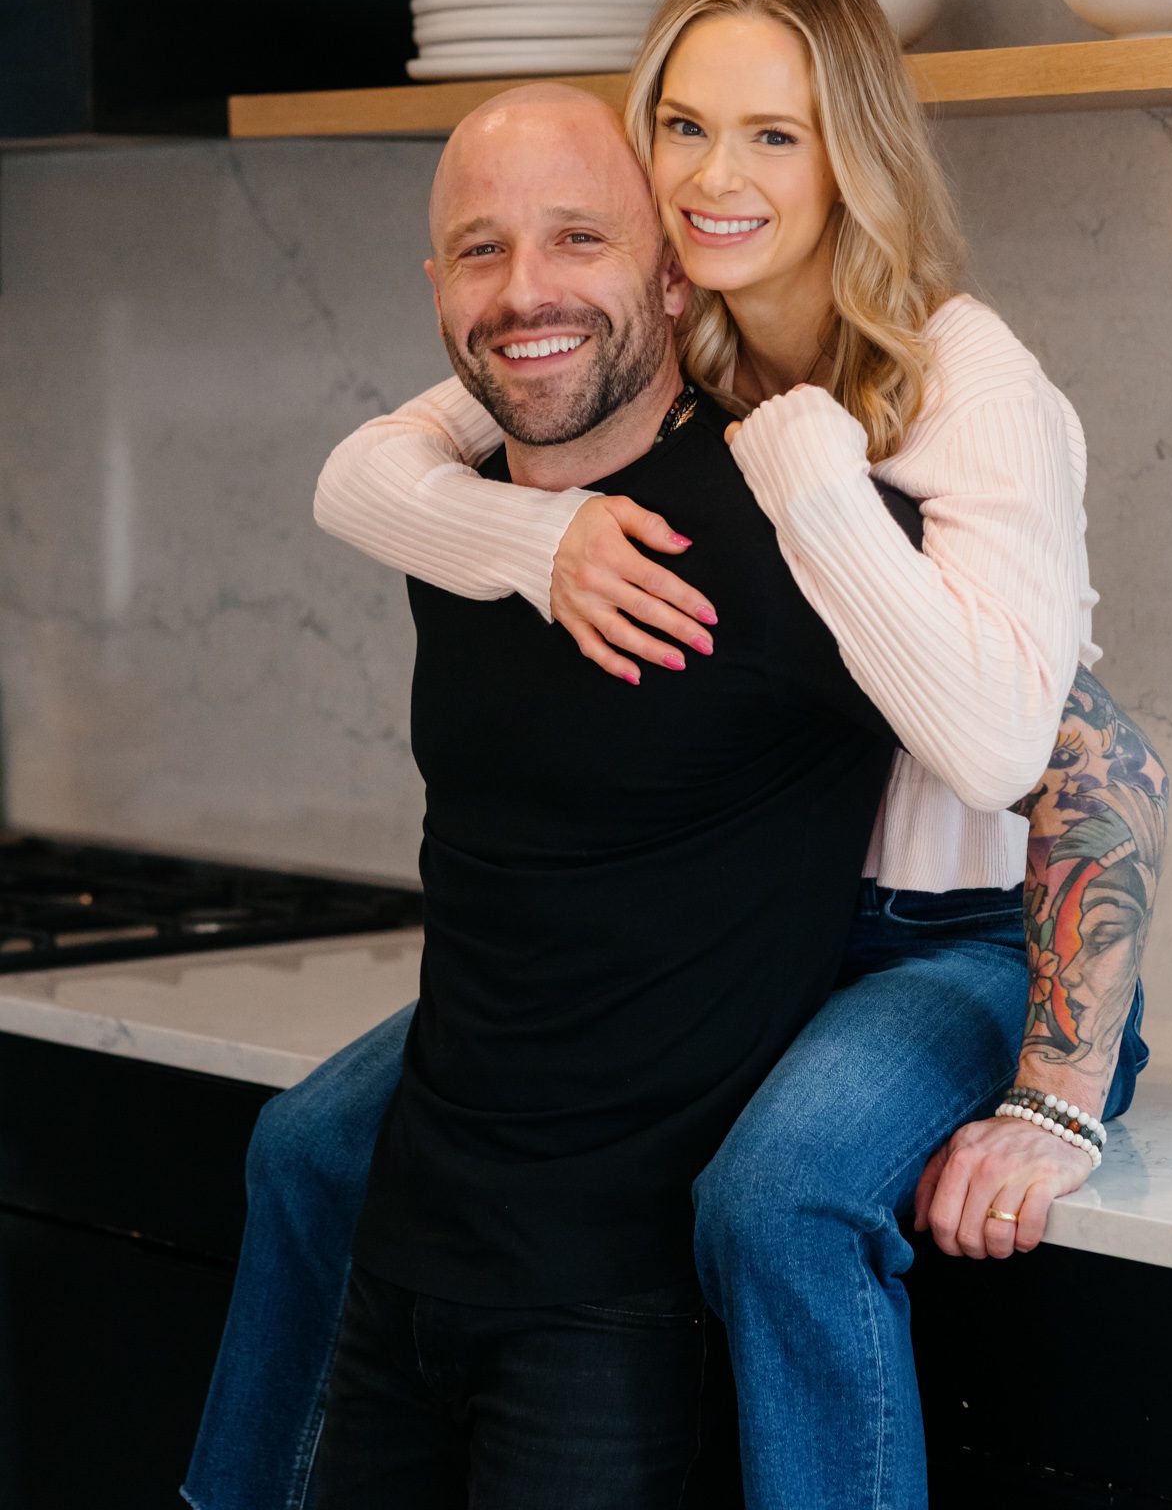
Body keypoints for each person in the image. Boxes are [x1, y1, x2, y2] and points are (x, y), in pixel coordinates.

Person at [183, 0, 1165, 1510]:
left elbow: (1052, 760)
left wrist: (1057, 1095)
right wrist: (539, 544)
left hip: (969, 938)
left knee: (771, 1199)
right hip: (758, 929)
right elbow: (362, 476)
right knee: (313, 1146)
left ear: (854, 155)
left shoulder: (963, 387)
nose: (717, 176)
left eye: (774, 134)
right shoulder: (674, 335)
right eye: (684, 127)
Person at [305, 80, 926, 1507]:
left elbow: (1084, 774)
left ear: (667, 261)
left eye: (577, 238)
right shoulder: (456, 531)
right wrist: (529, 534)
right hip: (402, 1272)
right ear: (433, 287)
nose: (524, 291)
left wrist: (1061, 1092)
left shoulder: (796, 520)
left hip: (619, 1320)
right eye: (479, 249)